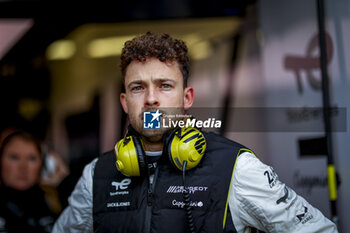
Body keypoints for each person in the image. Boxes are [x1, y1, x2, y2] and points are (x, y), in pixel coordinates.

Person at [52, 32, 338, 233]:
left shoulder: (235, 168)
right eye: (138, 87)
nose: (151, 99)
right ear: (125, 102)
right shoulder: (97, 176)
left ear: (186, 98)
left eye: (165, 86)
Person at [0, 131, 57, 233]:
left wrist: (65, 183)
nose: (23, 167)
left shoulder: (54, 203)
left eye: (31, 159)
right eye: (14, 157)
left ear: (42, 165)